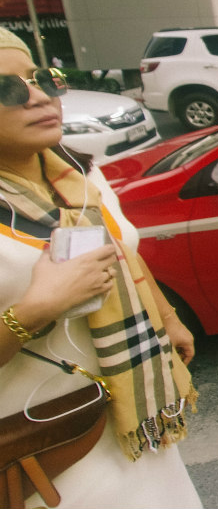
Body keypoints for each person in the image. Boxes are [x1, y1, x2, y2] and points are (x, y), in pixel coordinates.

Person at [0, 29, 202, 509]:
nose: (38, 97)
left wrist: (168, 317)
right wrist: (35, 310)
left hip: (132, 420)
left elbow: (120, 247)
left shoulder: (78, 172)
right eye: (7, 88)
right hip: (47, 450)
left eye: (40, 78)